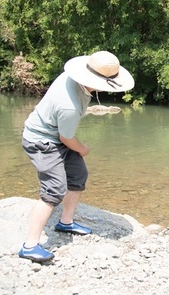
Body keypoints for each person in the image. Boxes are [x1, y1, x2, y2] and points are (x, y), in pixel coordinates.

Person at [18, 50, 134, 263]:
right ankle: (30, 245)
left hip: (56, 136)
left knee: (78, 174)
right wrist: (83, 149)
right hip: (41, 141)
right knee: (54, 189)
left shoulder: (76, 79)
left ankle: (66, 222)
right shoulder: (68, 104)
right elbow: (67, 138)